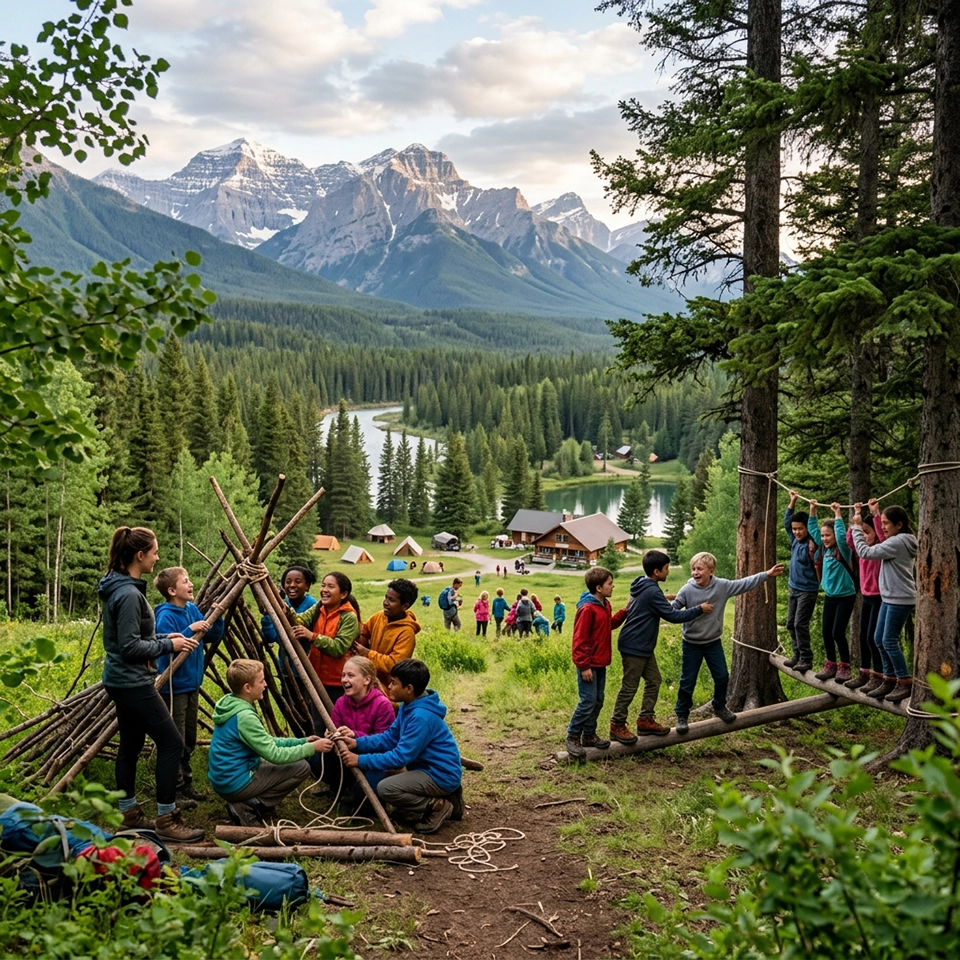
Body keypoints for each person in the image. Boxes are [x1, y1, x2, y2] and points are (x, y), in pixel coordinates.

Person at [97, 526, 204, 842]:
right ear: (140, 555)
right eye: (154, 552)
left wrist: (163, 637)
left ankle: (129, 813)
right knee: (171, 743)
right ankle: (167, 820)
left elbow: (130, 639)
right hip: (132, 682)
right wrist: (169, 646)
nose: (157, 557)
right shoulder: (129, 594)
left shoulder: (121, 588)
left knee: (129, 745)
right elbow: (130, 647)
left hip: (120, 680)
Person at [339, 659, 463, 834]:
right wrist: (358, 742)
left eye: (394, 683)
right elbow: (390, 737)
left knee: (386, 788)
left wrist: (360, 759)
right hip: (427, 769)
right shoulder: (409, 706)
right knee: (388, 781)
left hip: (440, 774)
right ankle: (442, 799)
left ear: (409, 689)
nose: (389, 686)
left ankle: (436, 806)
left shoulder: (421, 717)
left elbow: (399, 758)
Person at [671, 553, 784, 734]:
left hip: (712, 642)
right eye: (693, 569)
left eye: (699, 569)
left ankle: (719, 706)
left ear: (711, 571)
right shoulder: (687, 590)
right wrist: (698, 610)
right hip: (691, 643)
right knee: (687, 681)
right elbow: (673, 612)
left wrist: (767, 575)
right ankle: (682, 714)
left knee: (723, 677)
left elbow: (744, 583)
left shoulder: (722, 586)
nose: (695, 572)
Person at [208, 659, 330, 826]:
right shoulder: (245, 716)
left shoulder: (232, 703)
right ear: (247, 688)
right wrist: (311, 748)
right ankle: (250, 805)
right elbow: (274, 754)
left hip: (226, 778)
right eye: (261, 681)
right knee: (301, 768)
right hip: (234, 783)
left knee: (287, 765)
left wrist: (302, 741)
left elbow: (267, 741)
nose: (265, 684)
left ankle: (248, 801)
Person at [609, 550, 712, 744]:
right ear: (656, 572)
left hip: (642, 646)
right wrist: (700, 609)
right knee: (629, 687)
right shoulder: (652, 590)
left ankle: (645, 720)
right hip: (634, 646)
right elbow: (673, 616)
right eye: (666, 569)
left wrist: (666, 598)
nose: (668, 572)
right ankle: (617, 725)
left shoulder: (644, 584)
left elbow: (651, 601)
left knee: (654, 680)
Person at [154, 566, 225, 808]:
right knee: (176, 738)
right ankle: (173, 789)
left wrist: (216, 619)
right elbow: (165, 646)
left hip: (191, 685)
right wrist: (188, 630)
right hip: (173, 688)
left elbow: (212, 636)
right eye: (186, 581)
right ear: (172, 590)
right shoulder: (165, 615)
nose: (191, 584)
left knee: (189, 738)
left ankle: (186, 782)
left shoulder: (192, 609)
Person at [850, 500, 918, 702]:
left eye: (887, 524)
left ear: (899, 525)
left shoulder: (897, 543)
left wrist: (856, 527)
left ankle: (904, 681)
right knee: (879, 639)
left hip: (900, 598)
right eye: (884, 523)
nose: (883, 527)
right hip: (890, 597)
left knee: (888, 640)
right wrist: (876, 514)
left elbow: (865, 552)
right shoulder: (898, 540)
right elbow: (882, 537)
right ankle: (888, 679)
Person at [565, 566, 626, 760]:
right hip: (588, 665)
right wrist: (584, 666)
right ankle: (573, 736)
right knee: (588, 700)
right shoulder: (587, 609)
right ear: (599, 587)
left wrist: (625, 611)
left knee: (598, 700)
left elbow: (609, 624)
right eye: (610, 583)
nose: (613, 586)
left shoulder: (604, 605)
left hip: (600, 663)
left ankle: (589, 735)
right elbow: (579, 640)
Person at [807, 501, 856, 682]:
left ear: (834, 535)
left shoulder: (843, 550)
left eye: (828, 535)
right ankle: (830, 664)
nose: (825, 538)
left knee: (837, 632)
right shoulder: (823, 549)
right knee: (826, 631)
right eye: (823, 536)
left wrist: (837, 515)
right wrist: (813, 510)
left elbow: (842, 537)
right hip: (830, 596)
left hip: (846, 596)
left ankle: (845, 667)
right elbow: (812, 530)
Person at [352, 578, 421, 692]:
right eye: (386, 597)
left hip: (389, 689)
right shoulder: (379, 616)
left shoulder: (407, 633)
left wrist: (367, 653)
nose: (385, 602)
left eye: (391, 600)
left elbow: (394, 664)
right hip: (370, 681)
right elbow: (365, 631)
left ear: (405, 606)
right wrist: (361, 642)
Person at [845, 509, 885, 690]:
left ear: (876, 533)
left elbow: (884, 536)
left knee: (873, 637)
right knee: (863, 636)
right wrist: (855, 524)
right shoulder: (861, 550)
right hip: (866, 596)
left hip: (880, 597)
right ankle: (864, 673)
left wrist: (876, 515)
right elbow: (849, 541)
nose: (864, 536)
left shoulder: (880, 548)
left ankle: (879, 675)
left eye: (867, 532)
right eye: (862, 533)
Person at [784, 491, 822, 672]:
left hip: (808, 590)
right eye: (795, 529)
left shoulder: (812, 543)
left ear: (806, 528)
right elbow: (786, 523)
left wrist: (812, 510)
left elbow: (815, 529)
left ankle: (806, 658)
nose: (796, 532)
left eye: (800, 528)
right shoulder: (795, 541)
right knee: (790, 623)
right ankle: (797, 655)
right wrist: (792, 501)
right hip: (793, 588)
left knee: (800, 623)